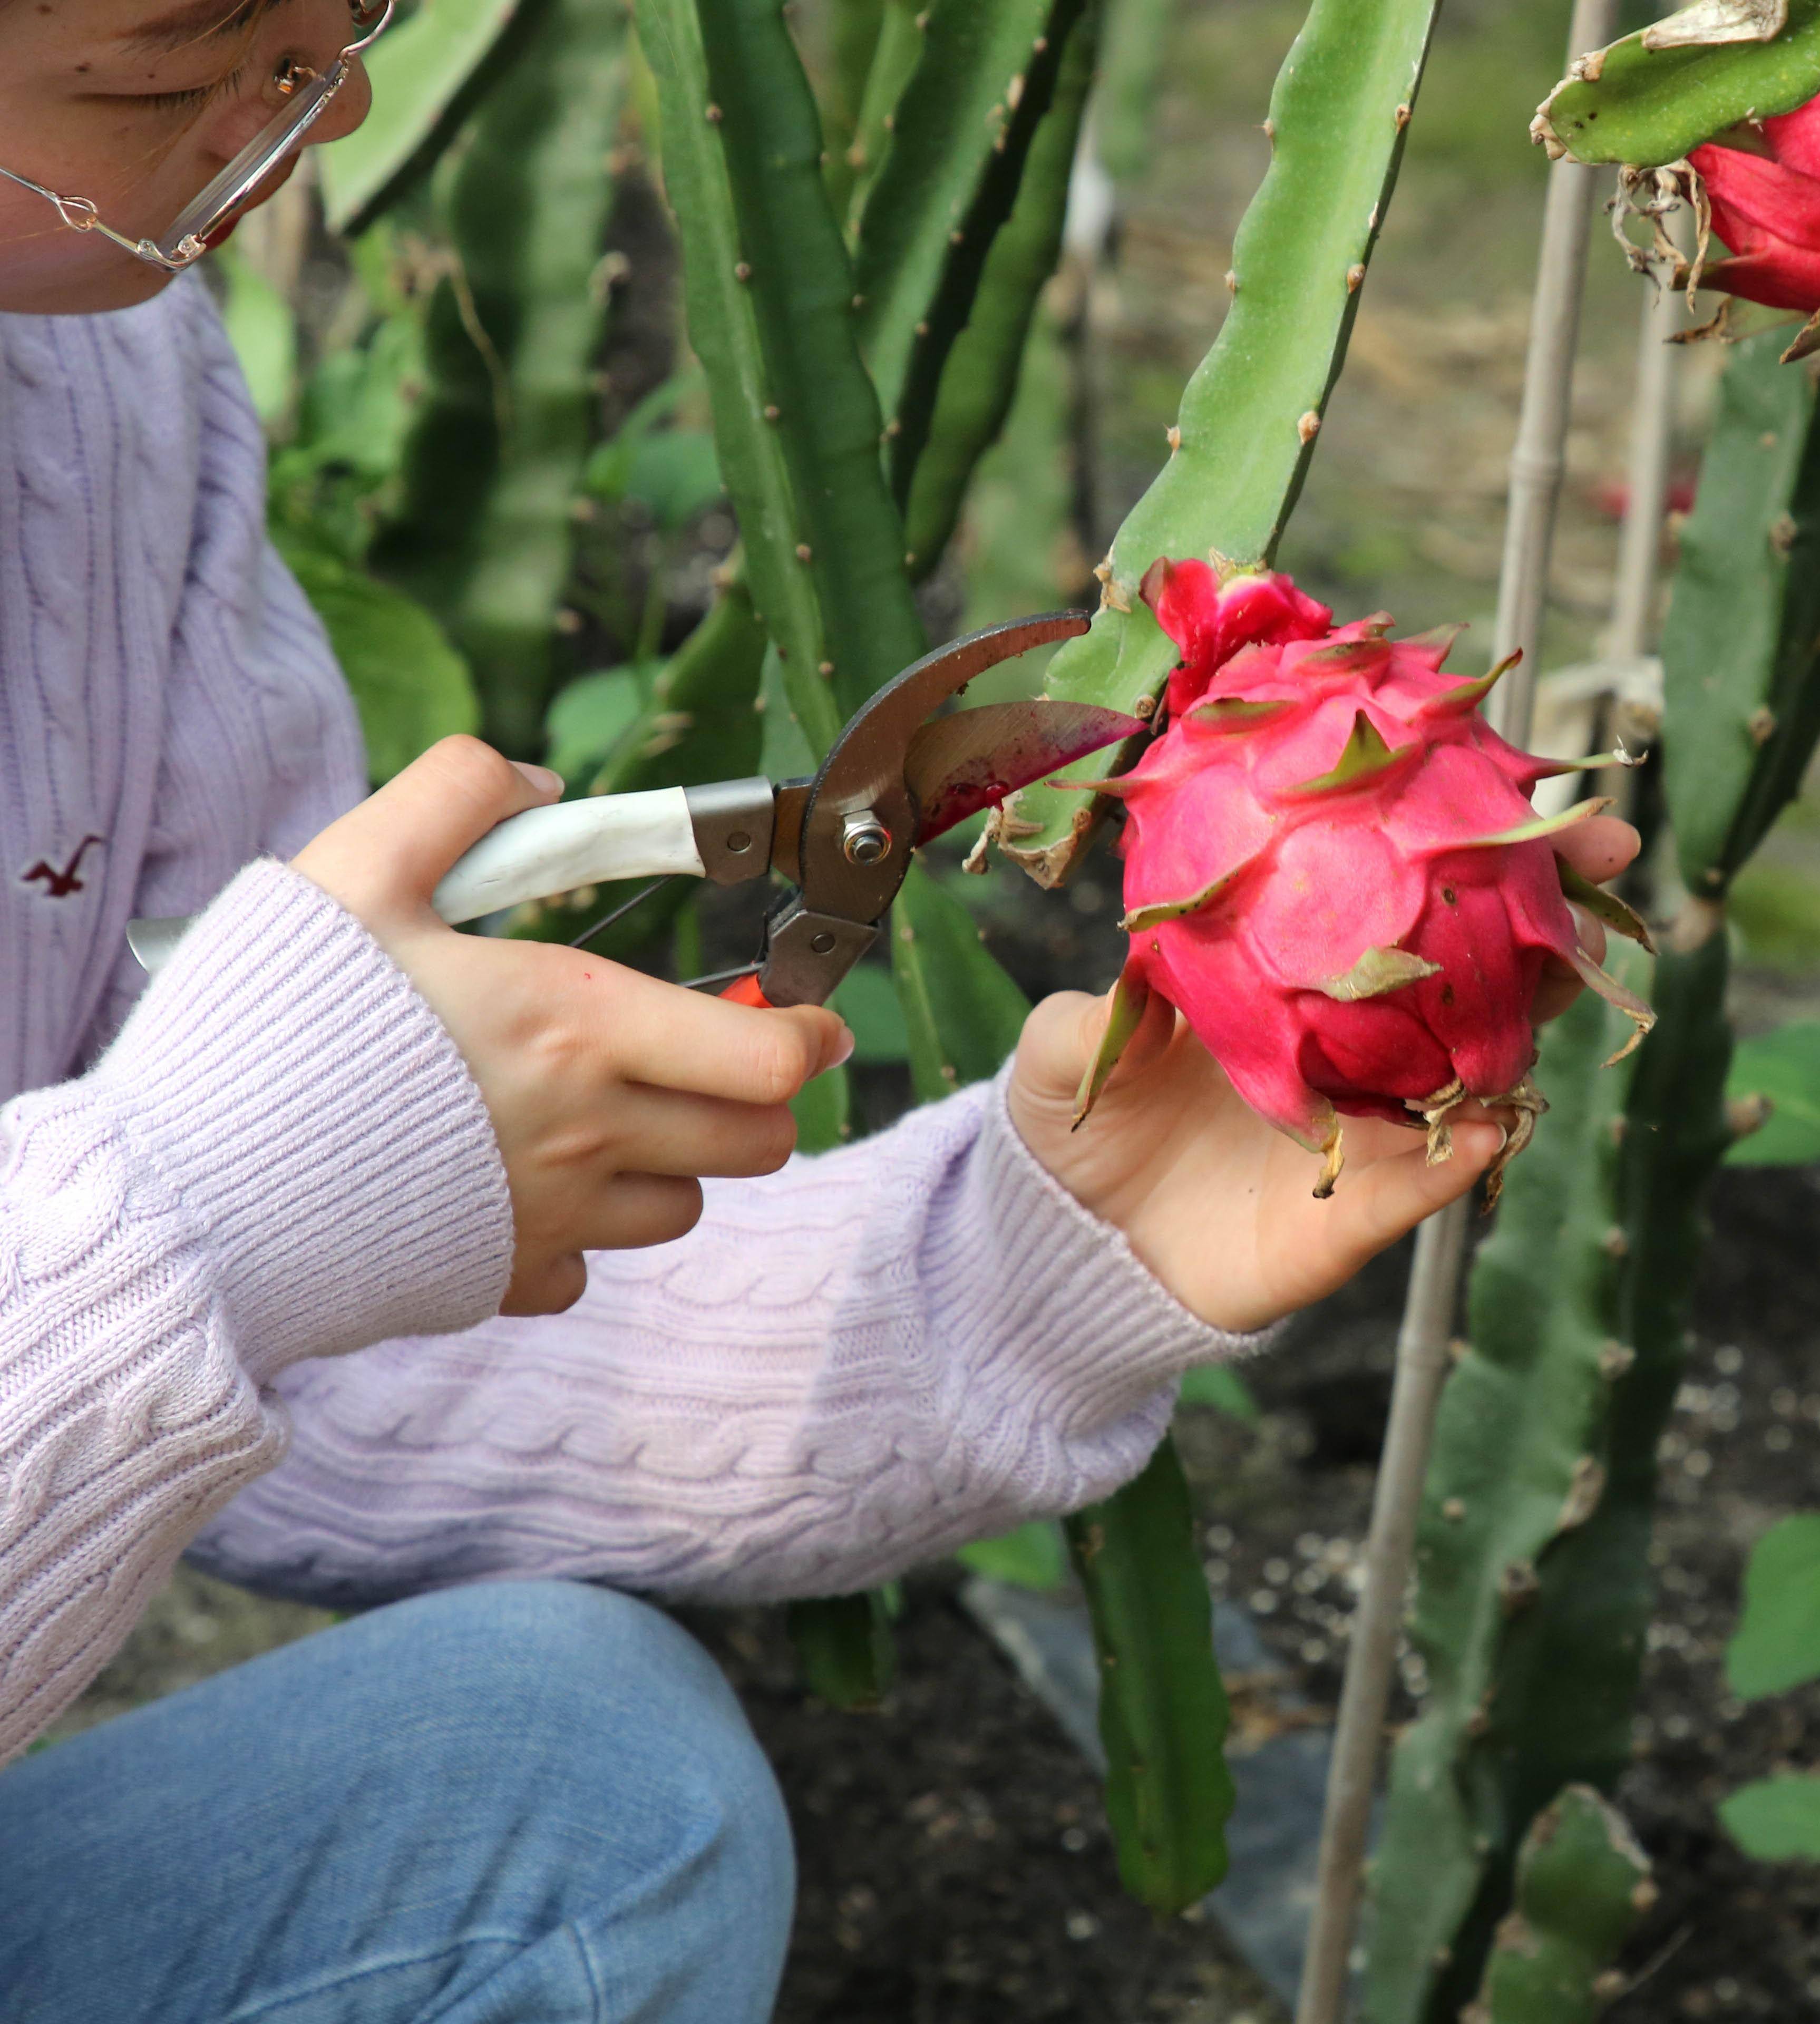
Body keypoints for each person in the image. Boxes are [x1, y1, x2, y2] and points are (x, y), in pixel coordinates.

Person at [0, 2, 1638, 2014]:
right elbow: (210, 1259)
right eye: (174, 84)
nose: (331, 110)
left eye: (359, 22)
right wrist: (206, 1214)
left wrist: (1008, 1274)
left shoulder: (95, 378)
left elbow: (296, 1372)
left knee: (582, 1787)